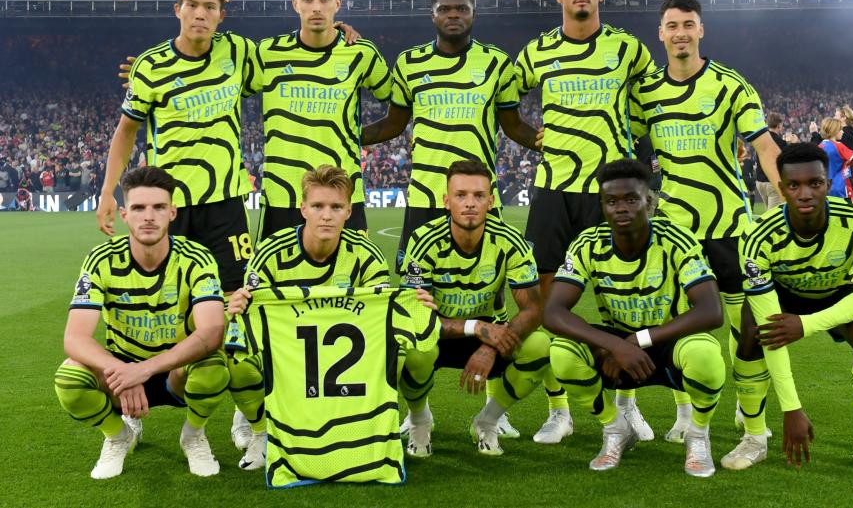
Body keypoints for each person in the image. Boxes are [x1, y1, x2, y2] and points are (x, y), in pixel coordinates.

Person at [361, 0, 543, 438]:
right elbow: (393, 123)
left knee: (496, 294)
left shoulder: (495, 63)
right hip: (425, 198)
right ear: (433, 13)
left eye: (462, 7)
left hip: (481, 196)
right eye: (445, 8)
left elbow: (512, 125)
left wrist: (548, 140)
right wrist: (340, 135)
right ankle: (417, 410)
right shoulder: (409, 63)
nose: (454, 14)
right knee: (418, 299)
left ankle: (491, 401)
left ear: (473, 12)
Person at [515, 0, 658, 444]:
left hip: (609, 191)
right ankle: (560, 410)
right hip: (554, 187)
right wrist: (530, 137)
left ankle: (627, 403)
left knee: (622, 297)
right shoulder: (537, 51)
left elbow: (652, 103)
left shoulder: (628, 48)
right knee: (548, 298)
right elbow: (503, 102)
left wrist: (631, 152)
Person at [631, 0, 782, 442]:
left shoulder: (731, 84)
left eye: (688, 24)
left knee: (746, 327)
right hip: (675, 230)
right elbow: (627, 147)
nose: (680, 33)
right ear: (660, 33)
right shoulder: (646, 92)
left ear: (701, 30)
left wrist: (791, 195)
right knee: (679, 322)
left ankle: (746, 402)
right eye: (672, 25)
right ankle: (684, 412)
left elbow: (765, 146)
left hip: (731, 225)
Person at [720, 143, 853, 476]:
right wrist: (792, 409)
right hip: (783, 295)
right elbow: (772, 327)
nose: (805, 193)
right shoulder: (758, 236)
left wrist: (806, 324)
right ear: (781, 188)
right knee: (752, 330)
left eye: (815, 183)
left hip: (838, 293)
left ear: (829, 183)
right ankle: (754, 437)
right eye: (794, 185)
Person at [542, 158, 725, 476]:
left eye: (631, 199)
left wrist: (638, 340)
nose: (621, 208)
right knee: (561, 351)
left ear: (649, 202)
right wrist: (614, 345)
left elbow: (711, 311)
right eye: (611, 201)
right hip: (617, 351)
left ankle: (698, 434)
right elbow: (553, 312)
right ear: (602, 206)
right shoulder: (588, 244)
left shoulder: (675, 240)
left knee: (705, 353)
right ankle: (616, 429)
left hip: (666, 346)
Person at [54, 166, 229, 479]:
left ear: (172, 212)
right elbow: (75, 338)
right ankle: (117, 435)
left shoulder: (196, 257)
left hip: (175, 373)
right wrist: (123, 371)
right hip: (121, 375)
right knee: (69, 377)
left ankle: (193, 434)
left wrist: (146, 369)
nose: (149, 216)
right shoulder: (101, 258)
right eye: (138, 208)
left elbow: (212, 331)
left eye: (159, 207)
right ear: (124, 213)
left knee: (214, 365)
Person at [97, 0, 256, 293]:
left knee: (234, 293)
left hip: (224, 201)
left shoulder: (239, 51)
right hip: (170, 203)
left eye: (210, 7)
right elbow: (126, 130)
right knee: (173, 294)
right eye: (192, 5)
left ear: (221, 15)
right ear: (177, 9)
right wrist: (106, 191)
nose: (200, 14)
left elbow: (290, 56)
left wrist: (339, 32)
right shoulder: (151, 66)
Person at [225, 165, 392, 470]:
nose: (326, 215)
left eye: (335, 207)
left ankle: (377, 424)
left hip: (341, 361)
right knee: (237, 358)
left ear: (348, 211)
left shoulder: (367, 256)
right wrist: (236, 305)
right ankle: (260, 430)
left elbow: (383, 316)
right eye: (317, 206)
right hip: (285, 356)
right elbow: (246, 310)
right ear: (303, 209)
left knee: (405, 351)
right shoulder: (271, 253)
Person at [398, 160, 551, 457]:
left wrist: (491, 346)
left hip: (491, 337)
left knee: (541, 345)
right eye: (461, 195)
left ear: (491, 202)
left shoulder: (510, 241)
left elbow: (534, 309)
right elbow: (415, 315)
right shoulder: (422, 241)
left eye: (479, 196)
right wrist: (477, 328)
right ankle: (419, 420)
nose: (470, 203)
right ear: (446, 201)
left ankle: (488, 421)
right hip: (439, 335)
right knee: (410, 347)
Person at [247, 0, 391, 239]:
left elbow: (398, 100)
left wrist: (357, 138)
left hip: (341, 194)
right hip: (283, 195)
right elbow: (222, 81)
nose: (316, 7)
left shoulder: (360, 53)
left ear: (337, 3)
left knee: (352, 279)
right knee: (276, 280)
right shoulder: (267, 53)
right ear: (295, 3)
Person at [818, 117, 853, 199]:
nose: (842, 132)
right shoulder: (838, 146)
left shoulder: (820, 146)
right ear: (834, 131)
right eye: (840, 129)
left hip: (824, 189)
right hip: (839, 188)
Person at [756, 113, 789, 210]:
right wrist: (791, 144)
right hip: (772, 183)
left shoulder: (760, 139)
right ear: (779, 125)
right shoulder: (780, 142)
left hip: (760, 182)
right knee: (773, 216)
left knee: (768, 212)